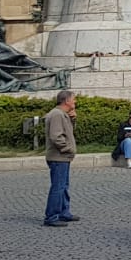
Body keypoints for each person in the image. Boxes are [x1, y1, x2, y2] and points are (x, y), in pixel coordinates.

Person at [43, 91, 79, 227]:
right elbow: (56, 136)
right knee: (58, 187)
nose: (75, 102)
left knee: (63, 186)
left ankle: (64, 212)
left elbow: (68, 132)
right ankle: (51, 216)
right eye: (73, 100)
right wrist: (68, 149)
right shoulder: (57, 114)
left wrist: (73, 119)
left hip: (62, 157)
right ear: (66, 101)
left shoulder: (62, 114)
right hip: (58, 157)